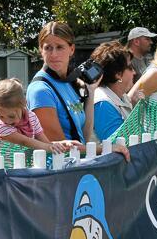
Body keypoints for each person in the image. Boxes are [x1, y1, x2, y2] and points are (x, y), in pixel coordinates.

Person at [27, 21, 129, 160]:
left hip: (76, 164)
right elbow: (60, 148)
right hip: (58, 168)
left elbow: (83, 137)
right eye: (48, 48)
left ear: (72, 49)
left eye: (60, 47)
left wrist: (91, 92)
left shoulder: (69, 82)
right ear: (41, 50)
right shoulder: (40, 91)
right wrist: (105, 149)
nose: (54, 54)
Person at [0, 78, 79, 152]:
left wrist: (62, 143)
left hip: (26, 164)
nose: (6, 121)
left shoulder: (31, 117)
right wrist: (50, 147)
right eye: (1, 116)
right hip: (4, 166)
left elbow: (45, 143)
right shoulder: (0, 126)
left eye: (11, 116)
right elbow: (25, 142)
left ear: (23, 104)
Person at [91, 41, 138, 140]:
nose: (134, 72)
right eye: (130, 67)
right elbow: (117, 144)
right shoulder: (103, 104)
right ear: (118, 74)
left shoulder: (121, 97)